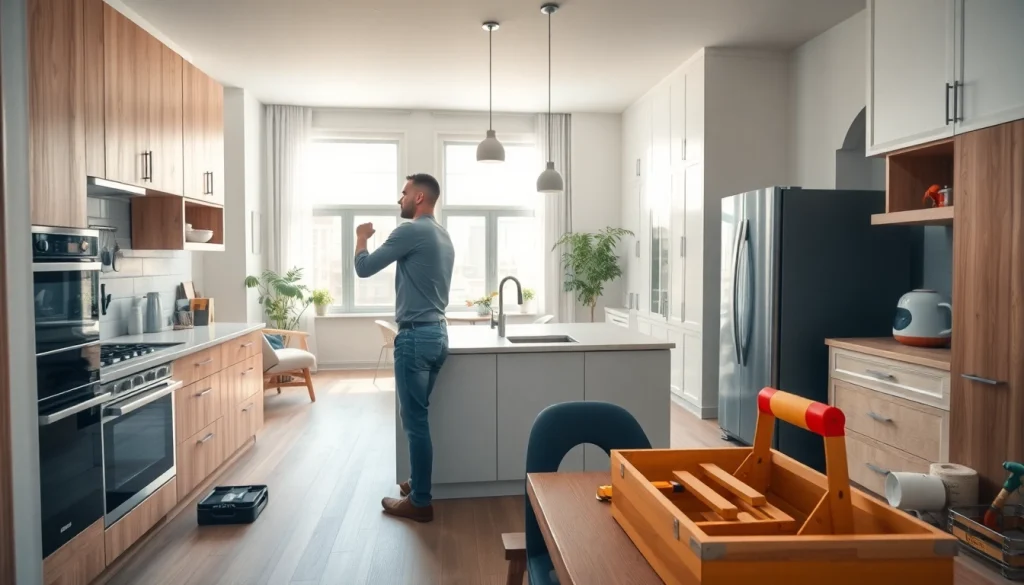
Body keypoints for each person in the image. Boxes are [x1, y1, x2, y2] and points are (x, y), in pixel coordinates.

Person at [354, 173, 454, 523]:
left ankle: (421, 502)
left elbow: (364, 268)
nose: (400, 199)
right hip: (438, 334)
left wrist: (361, 237)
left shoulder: (410, 231)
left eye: (405, 192)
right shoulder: (443, 235)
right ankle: (417, 483)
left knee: (415, 422)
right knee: (419, 417)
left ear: (420, 198)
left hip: (415, 338)